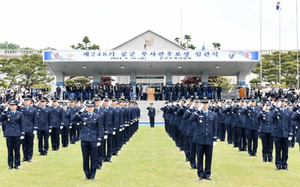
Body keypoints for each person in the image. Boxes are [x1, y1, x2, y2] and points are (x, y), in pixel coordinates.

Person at [71, 100, 104, 180]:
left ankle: (92, 175)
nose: (89, 108)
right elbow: (73, 119)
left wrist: (99, 140)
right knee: (85, 159)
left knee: (93, 158)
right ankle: (87, 174)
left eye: (91, 107)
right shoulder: (83, 115)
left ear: (94, 108)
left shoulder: (97, 116)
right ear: (86, 107)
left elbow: (100, 129)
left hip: (93, 140)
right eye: (88, 107)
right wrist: (80, 111)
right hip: (84, 139)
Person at [189, 98, 217, 180]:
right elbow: (191, 119)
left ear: (208, 104)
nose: (205, 105)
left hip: (209, 139)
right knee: (200, 157)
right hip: (199, 139)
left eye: (206, 104)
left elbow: (215, 127)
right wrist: (198, 110)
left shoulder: (213, 114)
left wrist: (214, 139)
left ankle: (207, 174)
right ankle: (200, 174)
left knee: (209, 157)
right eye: (203, 104)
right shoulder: (198, 113)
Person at [0, 100, 25, 169]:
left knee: (17, 150)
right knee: (10, 150)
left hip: (17, 134)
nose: (12, 106)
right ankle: (10, 165)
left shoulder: (20, 114)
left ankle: (17, 164)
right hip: (9, 134)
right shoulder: (7, 113)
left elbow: (22, 124)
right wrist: (4, 111)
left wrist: (22, 133)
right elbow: (1, 119)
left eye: (13, 105)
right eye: (11, 105)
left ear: (16, 106)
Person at [271, 98, 293, 170]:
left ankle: (284, 164)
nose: (283, 103)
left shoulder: (289, 112)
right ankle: (278, 164)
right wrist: (277, 107)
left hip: (285, 133)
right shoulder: (276, 110)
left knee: (285, 150)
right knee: (277, 150)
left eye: (284, 102)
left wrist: (290, 133)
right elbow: (272, 117)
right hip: (277, 133)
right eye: (281, 102)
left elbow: (290, 123)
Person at [20, 95, 37, 162]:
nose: (26, 102)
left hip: (30, 128)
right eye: (25, 101)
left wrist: (35, 128)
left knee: (30, 143)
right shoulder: (21, 109)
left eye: (27, 101)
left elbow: (35, 119)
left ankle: (29, 157)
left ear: (30, 102)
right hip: (23, 129)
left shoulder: (33, 109)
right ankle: (25, 157)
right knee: (24, 144)